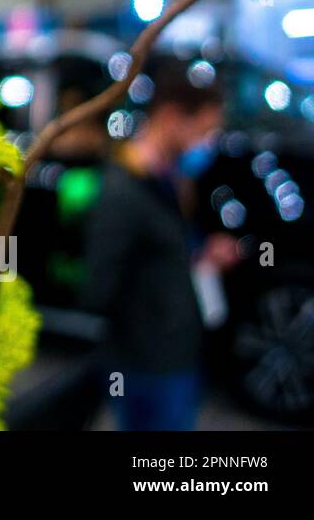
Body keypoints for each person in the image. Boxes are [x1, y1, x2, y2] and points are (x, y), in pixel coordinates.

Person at [81, 57, 237, 431]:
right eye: (202, 131)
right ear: (169, 116)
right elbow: (98, 288)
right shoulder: (123, 192)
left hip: (177, 354)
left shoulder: (169, 178)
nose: (205, 144)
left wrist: (200, 255)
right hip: (147, 366)